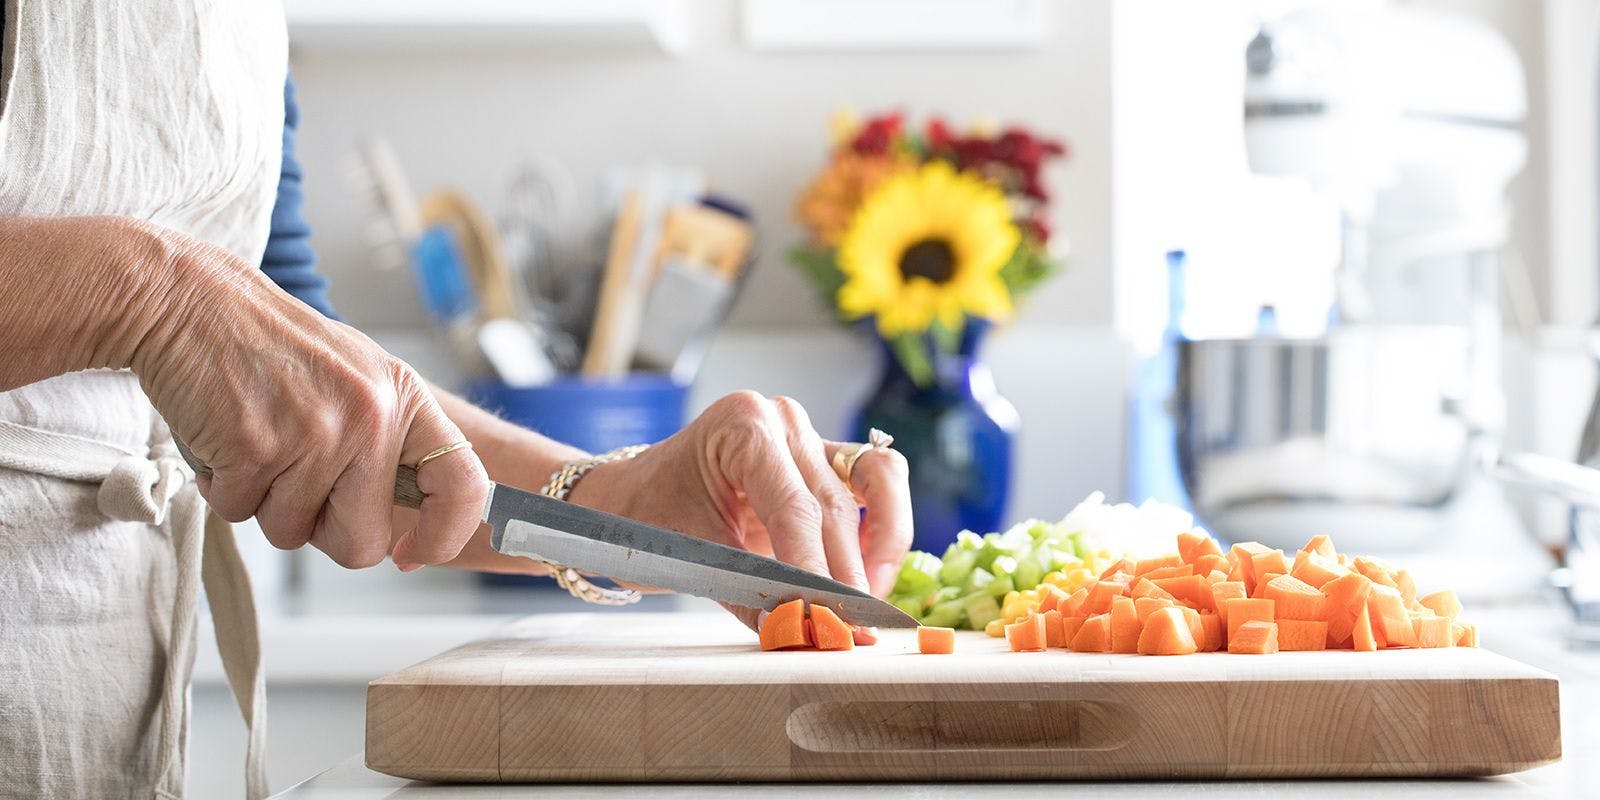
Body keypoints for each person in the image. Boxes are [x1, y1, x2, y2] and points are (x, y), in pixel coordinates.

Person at [0, 4, 913, 798]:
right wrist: (146, 294)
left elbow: (297, 338)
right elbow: (201, 306)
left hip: (97, 687)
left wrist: (607, 498)